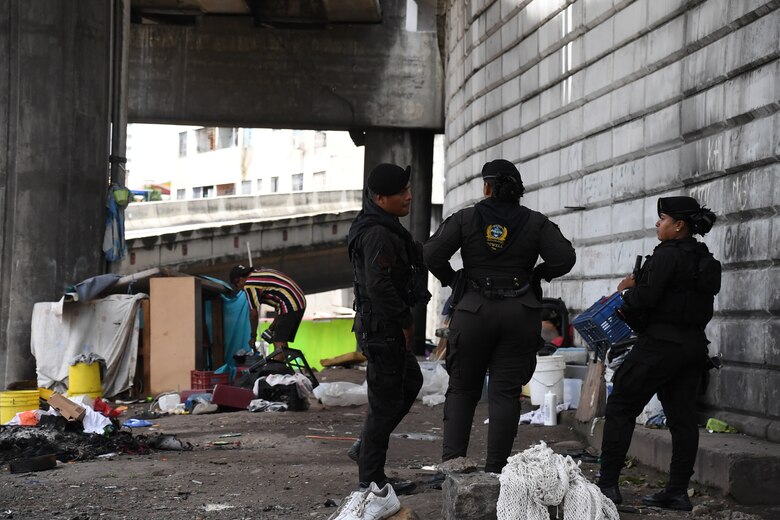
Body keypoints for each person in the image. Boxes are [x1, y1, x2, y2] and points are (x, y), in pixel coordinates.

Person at [423, 159, 576, 474]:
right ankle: (496, 472)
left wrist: (453, 280)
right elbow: (564, 257)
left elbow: (431, 254)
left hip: (473, 311)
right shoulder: (536, 222)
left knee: (463, 388)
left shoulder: (466, 218)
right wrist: (538, 275)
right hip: (520, 313)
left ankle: (452, 467)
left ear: (487, 187)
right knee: (505, 391)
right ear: (517, 190)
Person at [597, 196, 720, 511]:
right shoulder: (702, 256)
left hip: (660, 345)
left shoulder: (666, 256)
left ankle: (608, 486)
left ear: (679, 226)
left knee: (622, 404)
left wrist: (626, 288)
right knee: (682, 419)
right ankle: (677, 492)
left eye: (663, 218)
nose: (658, 223)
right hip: (693, 347)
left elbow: (643, 301)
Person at [346, 163, 430, 495]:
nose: (409, 197)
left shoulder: (384, 225)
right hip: (383, 329)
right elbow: (378, 285)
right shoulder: (378, 232)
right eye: (402, 193)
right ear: (381, 198)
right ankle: (371, 481)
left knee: (411, 381)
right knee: (384, 403)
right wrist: (406, 321)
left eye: (409, 189)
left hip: (383, 326)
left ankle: (366, 450)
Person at [229, 265, 307, 353]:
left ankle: (277, 364)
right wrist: (272, 326)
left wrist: (253, 336)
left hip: (290, 303)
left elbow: (253, 314)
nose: (239, 288)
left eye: (236, 284)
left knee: (279, 345)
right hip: (297, 301)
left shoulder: (249, 283)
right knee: (278, 339)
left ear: (239, 279)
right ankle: (280, 363)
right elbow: (280, 302)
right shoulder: (258, 274)